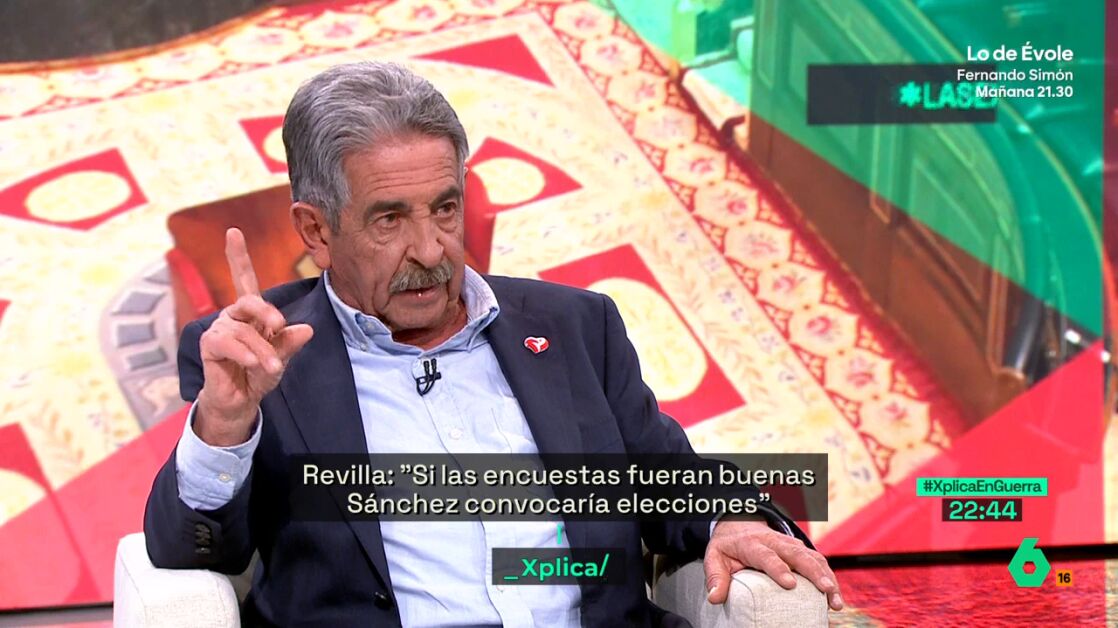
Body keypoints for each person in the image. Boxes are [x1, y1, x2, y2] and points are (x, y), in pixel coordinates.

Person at [144, 60, 842, 626]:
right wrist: (224, 426)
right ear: (317, 231)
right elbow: (191, 553)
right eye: (389, 220)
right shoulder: (259, 357)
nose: (431, 250)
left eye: (445, 209)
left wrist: (731, 518)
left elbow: (670, 477)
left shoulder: (575, 326)